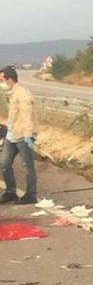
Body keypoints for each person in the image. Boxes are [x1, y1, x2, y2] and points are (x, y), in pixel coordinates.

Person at [0, 66, 38, 205]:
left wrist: (28, 135)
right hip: (12, 134)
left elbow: (27, 115)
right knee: (4, 163)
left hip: (23, 135)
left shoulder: (22, 94)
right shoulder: (12, 93)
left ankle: (31, 195)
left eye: (2, 79)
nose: (1, 82)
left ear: (10, 79)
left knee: (27, 166)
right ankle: (11, 192)